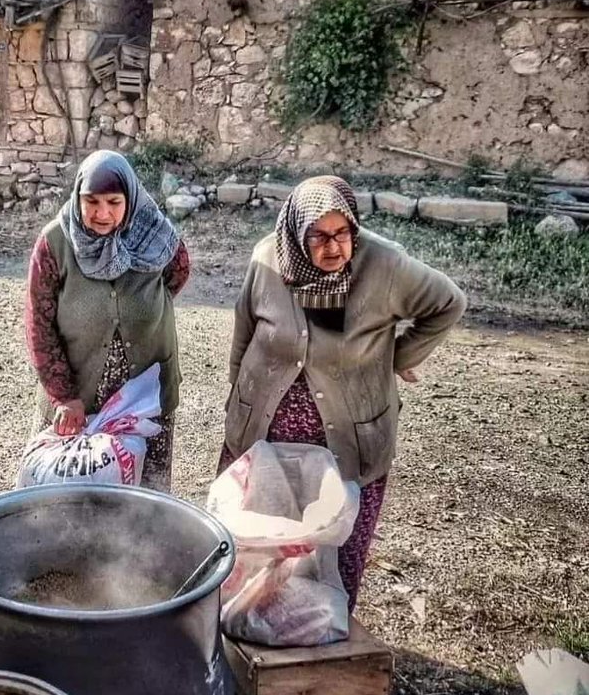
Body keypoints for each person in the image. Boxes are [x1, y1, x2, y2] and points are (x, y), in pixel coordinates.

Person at [222, 174, 466, 611]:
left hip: (343, 442)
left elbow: (448, 303)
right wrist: (238, 394)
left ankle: (322, 639)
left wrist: (398, 356)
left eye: (343, 233)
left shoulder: (385, 266)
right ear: (297, 235)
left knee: (333, 549)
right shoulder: (267, 258)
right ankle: (247, 631)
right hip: (267, 434)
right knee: (256, 543)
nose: (333, 247)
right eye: (318, 236)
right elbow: (244, 332)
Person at [25, 150, 190, 490]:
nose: (103, 214)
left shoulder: (155, 235)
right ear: (77, 198)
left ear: (130, 197)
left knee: (143, 510)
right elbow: (38, 326)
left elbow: (176, 276)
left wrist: (140, 311)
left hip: (143, 404)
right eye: (92, 201)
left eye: (114, 202)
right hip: (76, 402)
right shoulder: (55, 243)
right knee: (68, 504)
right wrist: (63, 396)